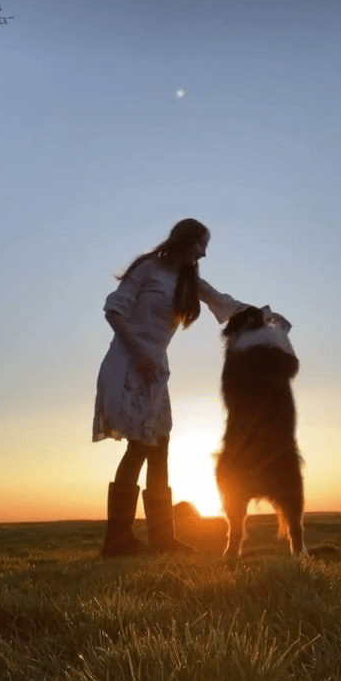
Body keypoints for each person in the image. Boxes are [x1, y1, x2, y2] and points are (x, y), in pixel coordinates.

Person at [92, 218, 289, 556]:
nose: (204, 254)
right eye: (201, 245)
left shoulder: (187, 279)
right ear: (186, 241)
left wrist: (266, 316)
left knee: (160, 448)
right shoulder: (147, 268)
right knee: (140, 446)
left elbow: (222, 302)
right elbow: (114, 310)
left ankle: (162, 539)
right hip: (129, 361)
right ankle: (118, 541)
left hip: (154, 368)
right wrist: (139, 352)